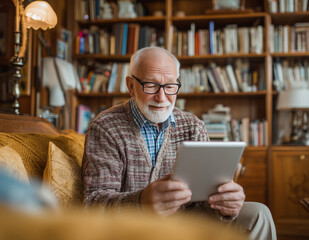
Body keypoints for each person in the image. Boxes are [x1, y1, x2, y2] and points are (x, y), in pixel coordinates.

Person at [82, 47, 277, 239]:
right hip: (134, 228)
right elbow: (93, 205)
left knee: (258, 214)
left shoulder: (193, 126)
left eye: (170, 86)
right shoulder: (105, 127)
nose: (161, 97)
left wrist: (225, 204)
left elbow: (204, 202)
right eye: (151, 85)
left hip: (188, 223)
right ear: (131, 86)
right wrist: (140, 203)